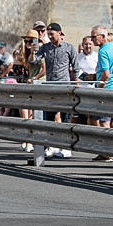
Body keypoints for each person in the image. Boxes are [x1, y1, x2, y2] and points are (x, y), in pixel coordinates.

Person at [29, 23, 76, 158]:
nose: (49, 36)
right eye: (48, 34)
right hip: (50, 86)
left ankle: (66, 147)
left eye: (52, 34)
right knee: (49, 117)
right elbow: (33, 61)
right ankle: (51, 145)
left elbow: (75, 67)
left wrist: (76, 83)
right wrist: (33, 51)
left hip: (65, 86)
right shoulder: (46, 47)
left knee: (65, 117)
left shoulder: (69, 47)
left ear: (59, 33)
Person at [87, 25, 113, 161]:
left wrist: (100, 86)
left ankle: (107, 152)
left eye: (94, 37)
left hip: (107, 90)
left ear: (102, 36)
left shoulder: (103, 51)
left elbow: (106, 74)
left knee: (105, 122)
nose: (92, 40)